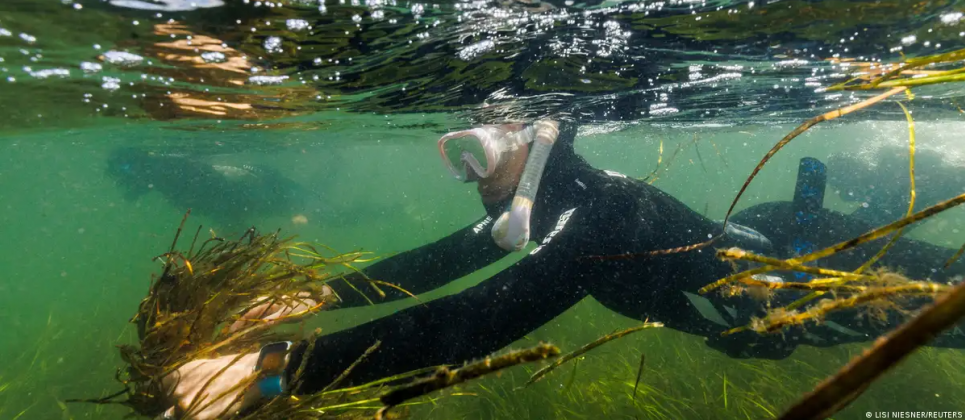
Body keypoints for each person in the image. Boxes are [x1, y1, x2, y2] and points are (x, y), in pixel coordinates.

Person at [158, 120, 965, 419]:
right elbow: (447, 259)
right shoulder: (557, 206)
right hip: (772, 244)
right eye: (456, 154)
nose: (470, 174)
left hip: (823, 264)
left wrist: (279, 370)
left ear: (540, 137)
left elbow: (480, 318)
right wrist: (316, 292)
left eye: (479, 151)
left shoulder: (603, 211)